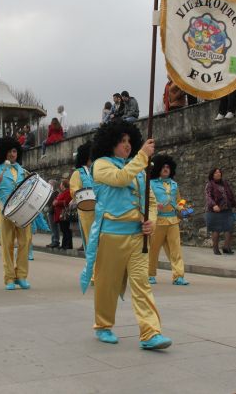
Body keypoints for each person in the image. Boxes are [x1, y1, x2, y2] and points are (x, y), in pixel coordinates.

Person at [80, 120, 172, 350]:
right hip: (110, 236)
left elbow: (149, 199)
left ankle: (151, 333)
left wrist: (150, 219)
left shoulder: (138, 168)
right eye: (122, 142)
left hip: (137, 237)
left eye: (130, 141)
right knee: (106, 285)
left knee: (142, 284)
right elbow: (120, 179)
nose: (127, 146)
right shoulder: (101, 166)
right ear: (110, 143)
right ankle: (103, 325)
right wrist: (142, 157)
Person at [0, 136, 33, 290]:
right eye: (9, 151)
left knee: (24, 243)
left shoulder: (23, 171)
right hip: (5, 212)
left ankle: (21, 276)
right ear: (3, 152)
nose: (12, 154)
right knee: (7, 244)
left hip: (23, 213)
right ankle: (9, 278)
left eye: (15, 151)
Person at [149, 155, 189, 286]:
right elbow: (147, 201)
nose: (166, 169)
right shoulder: (150, 183)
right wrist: (155, 205)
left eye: (168, 167)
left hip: (172, 221)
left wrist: (183, 208)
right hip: (158, 221)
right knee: (153, 249)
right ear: (158, 168)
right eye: (163, 167)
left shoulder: (174, 184)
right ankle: (150, 275)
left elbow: (178, 200)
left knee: (176, 249)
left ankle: (178, 276)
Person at [204, 168, 236, 255]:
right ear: (212, 174)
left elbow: (230, 194)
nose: (218, 173)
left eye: (219, 172)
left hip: (227, 209)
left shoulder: (225, 183)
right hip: (215, 210)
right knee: (216, 229)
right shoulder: (210, 184)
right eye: (216, 172)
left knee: (229, 228)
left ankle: (226, 247)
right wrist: (214, 205)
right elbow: (208, 196)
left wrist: (235, 205)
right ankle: (215, 248)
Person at [69, 141, 95, 252]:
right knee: (91, 242)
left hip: (100, 210)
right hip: (86, 212)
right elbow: (73, 190)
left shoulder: (98, 170)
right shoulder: (78, 173)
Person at [53, 179, 73, 249]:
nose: (60, 185)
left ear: (64, 185)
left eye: (61, 184)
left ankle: (68, 245)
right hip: (60, 214)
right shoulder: (63, 192)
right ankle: (64, 244)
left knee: (66, 230)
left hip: (64, 214)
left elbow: (67, 202)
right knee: (64, 230)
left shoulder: (67, 192)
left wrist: (57, 202)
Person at [45, 179, 60, 248]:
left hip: (53, 212)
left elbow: (54, 203)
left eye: (49, 184)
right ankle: (53, 241)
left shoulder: (55, 192)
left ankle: (55, 241)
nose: (47, 185)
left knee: (54, 227)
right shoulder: (51, 192)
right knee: (52, 227)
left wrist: (49, 210)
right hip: (50, 211)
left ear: (52, 185)